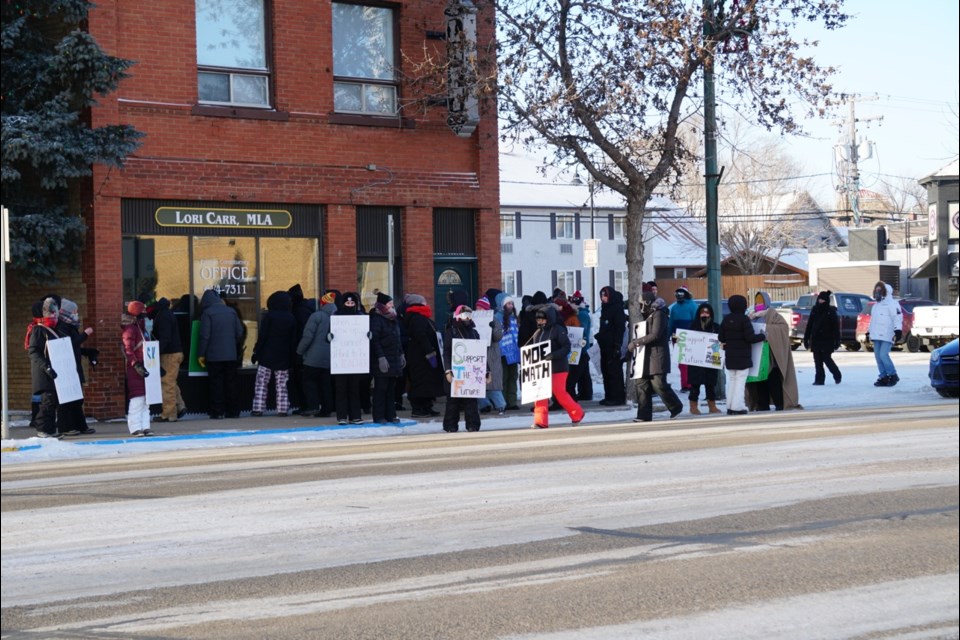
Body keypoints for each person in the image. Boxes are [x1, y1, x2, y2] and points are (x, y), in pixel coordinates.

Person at [628, 291, 683, 422]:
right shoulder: (648, 315)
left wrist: (636, 343)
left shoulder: (659, 314)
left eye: (642, 303)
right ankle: (643, 414)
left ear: (647, 302)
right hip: (644, 356)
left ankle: (675, 406)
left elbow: (655, 334)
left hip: (657, 356)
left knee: (658, 384)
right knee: (642, 384)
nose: (640, 306)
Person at [528, 305, 585, 429]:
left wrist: (553, 355)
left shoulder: (558, 330)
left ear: (549, 318)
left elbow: (566, 347)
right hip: (542, 369)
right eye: (538, 320)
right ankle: (540, 421)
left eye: (542, 319)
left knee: (559, 393)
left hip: (558, 367)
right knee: (540, 394)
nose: (540, 322)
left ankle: (577, 413)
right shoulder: (538, 333)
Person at [747, 293, 802, 412]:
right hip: (757, 356)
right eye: (757, 301)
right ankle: (762, 404)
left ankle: (779, 403)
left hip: (772, 355)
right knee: (759, 381)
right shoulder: (752, 316)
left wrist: (767, 329)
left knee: (773, 380)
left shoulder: (774, 315)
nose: (759, 303)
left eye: (761, 301)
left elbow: (782, 328)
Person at [197, 289, 245, 419]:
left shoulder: (208, 313)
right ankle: (233, 411)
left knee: (216, 384)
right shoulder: (231, 311)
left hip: (214, 356)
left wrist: (201, 354)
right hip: (231, 355)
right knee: (231, 383)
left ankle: (217, 412)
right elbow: (239, 332)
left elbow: (205, 336)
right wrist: (231, 344)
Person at [251, 290, 298, 417]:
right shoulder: (291, 317)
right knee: (282, 384)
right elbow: (293, 340)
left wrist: (256, 351)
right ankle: (282, 409)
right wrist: (293, 357)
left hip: (267, 355)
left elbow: (263, 337)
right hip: (283, 357)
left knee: (261, 382)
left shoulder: (270, 316)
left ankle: (258, 408)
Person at [718, 294, 765, 415]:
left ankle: (730, 405)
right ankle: (738, 406)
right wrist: (763, 336)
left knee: (732, 380)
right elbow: (750, 338)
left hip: (730, 356)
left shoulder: (726, 319)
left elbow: (721, 337)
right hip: (743, 356)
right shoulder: (744, 320)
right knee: (740, 381)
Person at [55, 299, 97, 435]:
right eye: (74, 312)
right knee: (67, 399)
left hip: (74, 367)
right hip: (66, 368)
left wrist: (87, 351)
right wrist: (85, 334)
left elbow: (76, 347)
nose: (76, 314)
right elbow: (68, 345)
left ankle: (80, 425)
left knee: (78, 398)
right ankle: (65, 427)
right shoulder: (61, 327)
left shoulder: (71, 326)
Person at [401, 293, 444, 418]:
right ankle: (418, 408)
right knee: (420, 382)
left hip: (425, 355)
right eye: (424, 301)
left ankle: (427, 406)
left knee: (428, 382)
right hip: (421, 357)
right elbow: (420, 336)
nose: (426, 303)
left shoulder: (421, 317)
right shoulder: (416, 318)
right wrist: (429, 351)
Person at [297, 290, 338, 417]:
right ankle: (327, 409)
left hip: (313, 357)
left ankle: (312, 406)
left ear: (322, 304)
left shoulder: (316, 316)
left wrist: (299, 352)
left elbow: (307, 337)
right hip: (330, 357)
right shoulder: (338, 317)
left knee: (309, 381)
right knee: (325, 384)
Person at [442, 305, 483, 432]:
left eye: (470, 316)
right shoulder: (451, 332)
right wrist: (448, 370)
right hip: (456, 371)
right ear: (459, 316)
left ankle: (473, 424)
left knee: (471, 400)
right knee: (453, 401)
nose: (467, 318)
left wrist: (486, 371)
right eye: (465, 315)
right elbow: (447, 352)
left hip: (470, 372)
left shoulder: (474, 333)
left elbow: (480, 353)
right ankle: (450, 425)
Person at [27, 297, 63, 438]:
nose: (53, 314)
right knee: (47, 401)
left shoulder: (51, 330)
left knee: (53, 400)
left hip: (53, 371)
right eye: (50, 311)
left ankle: (50, 429)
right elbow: (33, 351)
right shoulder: (38, 330)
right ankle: (42, 428)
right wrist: (46, 367)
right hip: (44, 372)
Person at [369, 291, 404, 424]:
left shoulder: (393, 319)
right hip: (382, 359)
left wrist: (401, 353)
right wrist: (380, 357)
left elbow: (397, 338)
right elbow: (375, 340)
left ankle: (391, 414)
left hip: (393, 357)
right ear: (383, 305)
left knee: (391, 389)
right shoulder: (377, 319)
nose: (392, 306)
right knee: (381, 388)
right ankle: (379, 416)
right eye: (389, 303)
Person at [332, 291, 367, 425]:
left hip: (355, 360)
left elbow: (364, 334)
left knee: (354, 389)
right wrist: (330, 337)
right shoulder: (337, 316)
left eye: (352, 303)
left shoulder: (360, 317)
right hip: (341, 360)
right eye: (348, 302)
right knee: (341, 389)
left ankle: (355, 416)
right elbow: (330, 335)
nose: (350, 305)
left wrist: (367, 336)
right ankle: (342, 416)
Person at [151, 296, 187, 422]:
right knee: (171, 381)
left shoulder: (163, 316)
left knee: (167, 383)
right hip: (175, 352)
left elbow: (165, 338)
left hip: (169, 354)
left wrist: (156, 353)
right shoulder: (168, 314)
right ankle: (180, 406)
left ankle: (169, 414)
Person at [122, 300, 154, 436]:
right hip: (136, 368)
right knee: (137, 398)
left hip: (146, 365)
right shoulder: (130, 330)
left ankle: (145, 425)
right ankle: (135, 427)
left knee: (147, 399)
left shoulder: (141, 329)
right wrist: (135, 365)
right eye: (142, 313)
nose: (145, 316)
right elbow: (128, 349)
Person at [686, 302, 722, 414]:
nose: (704, 314)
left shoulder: (715, 327)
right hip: (695, 361)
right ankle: (693, 406)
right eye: (702, 312)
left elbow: (721, 340)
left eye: (707, 312)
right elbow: (686, 340)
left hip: (710, 361)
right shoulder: (693, 326)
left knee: (710, 384)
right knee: (695, 385)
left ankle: (712, 406)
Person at [867, 281, 903, 387]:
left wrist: (898, 330)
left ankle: (893, 375)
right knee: (878, 357)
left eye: (880, 290)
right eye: (876, 290)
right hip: (876, 335)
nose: (877, 292)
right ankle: (883, 376)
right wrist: (869, 332)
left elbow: (897, 317)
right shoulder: (876, 306)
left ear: (885, 291)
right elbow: (873, 321)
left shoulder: (892, 304)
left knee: (883, 355)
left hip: (887, 334)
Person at [475, 296, 507, 415]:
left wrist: (493, 328)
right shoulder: (475, 319)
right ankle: (484, 405)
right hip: (478, 352)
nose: (478, 309)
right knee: (478, 382)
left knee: (492, 383)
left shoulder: (494, 320)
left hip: (491, 355)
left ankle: (501, 405)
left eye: (480, 307)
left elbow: (498, 337)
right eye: (477, 307)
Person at [803, 290, 842, 385]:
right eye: (819, 299)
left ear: (826, 301)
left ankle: (837, 374)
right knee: (817, 361)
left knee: (826, 359)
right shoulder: (815, 309)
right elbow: (809, 325)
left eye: (823, 300)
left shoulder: (831, 311)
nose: (821, 301)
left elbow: (835, 327)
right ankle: (819, 379)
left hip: (827, 340)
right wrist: (806, 338)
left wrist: (837, 340)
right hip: (816, 339)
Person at [596, 286, 627, 406]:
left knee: (614, 372)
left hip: (613, 345)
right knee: (606, 371)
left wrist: (617, 345)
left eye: (605, 295)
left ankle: (617, 397)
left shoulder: (616, 308)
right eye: (601, 295)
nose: (602, 298)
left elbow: (620, 328)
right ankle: (608, 395)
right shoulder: (605, 308)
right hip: (604, 344)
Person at [668, 286, 698, 391]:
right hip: (677, 337)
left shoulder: (693, 306)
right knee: (682, 362)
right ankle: (685, 384)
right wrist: (668, 335)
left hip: (690, 337)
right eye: (677, 294)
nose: (679, 296)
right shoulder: (675, 307)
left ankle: (691, 383)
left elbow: (696, 322)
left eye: (681, 294)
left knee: (690, 362)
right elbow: (671, 323)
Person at [496, 292, 521, 410]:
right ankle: (503, 402)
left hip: (514, 352)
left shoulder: (513, 318)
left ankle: (512, 401)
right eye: (508, 303)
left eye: (512, 303)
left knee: (513, 376)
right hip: (503, 353)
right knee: (504, 377)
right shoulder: (497, 317)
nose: (511, 306)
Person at [568, 290, 593, 401]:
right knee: (583, 373)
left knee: (575, 373)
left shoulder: (581, 314)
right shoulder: (583, 313)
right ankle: (586, 393)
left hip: (580, 348)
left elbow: (581, 331)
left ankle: (579, 393)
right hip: (583, 347)